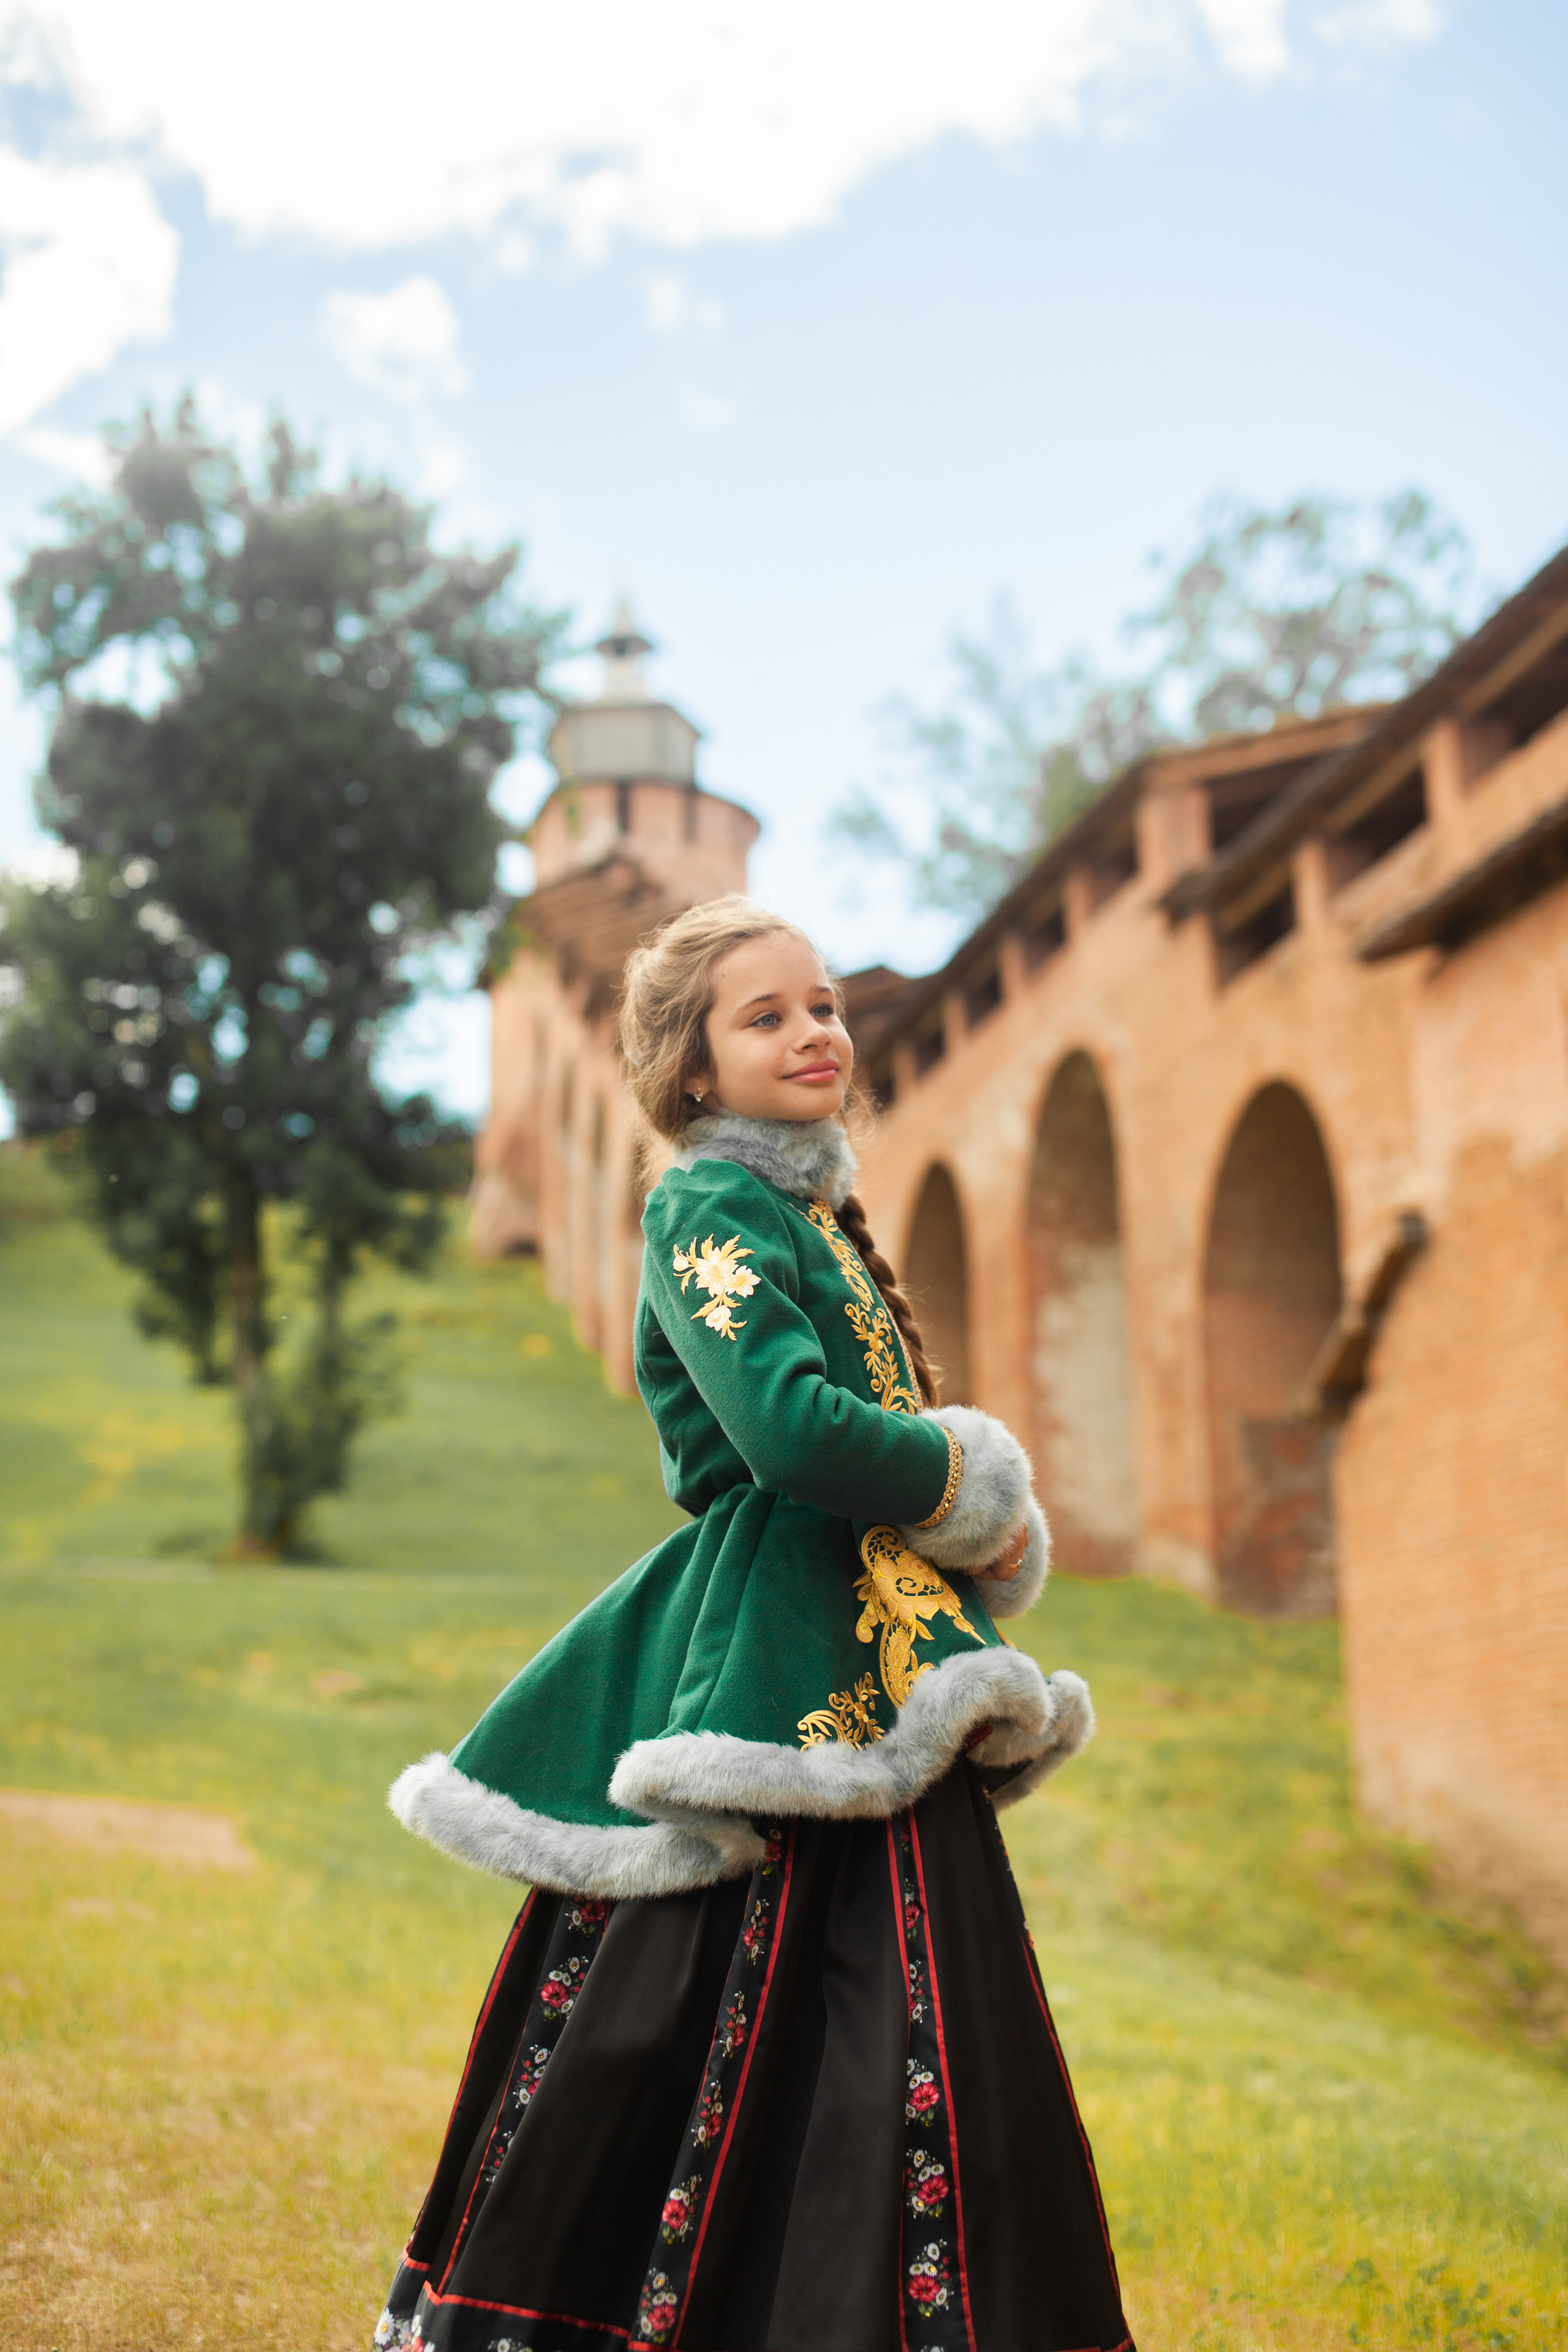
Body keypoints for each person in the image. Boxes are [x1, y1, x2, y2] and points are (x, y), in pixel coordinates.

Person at [375, 897, 1133, 2352]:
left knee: (910, 2001)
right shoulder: (706, 1206)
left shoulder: (813, 1217)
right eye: (764, 1013)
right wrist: (964, 1477)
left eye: (825, 1004)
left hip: (869, 1637)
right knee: (699, 1991)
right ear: (693, 1070)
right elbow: (783, 1431)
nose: (813, 1032)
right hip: (768, 1643)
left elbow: (850, 1434)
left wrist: (974, 1528)